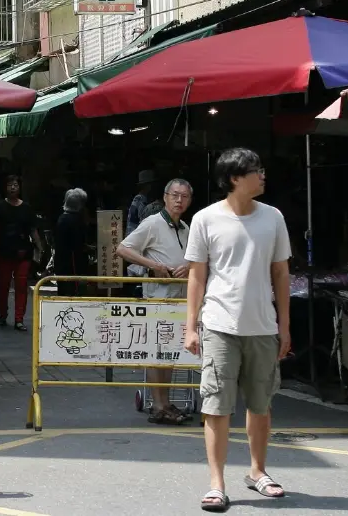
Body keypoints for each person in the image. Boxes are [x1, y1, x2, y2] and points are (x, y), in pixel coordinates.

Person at [184, 149, 291, 512]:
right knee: (216, 406)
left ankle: (258, 472)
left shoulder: (273, 218)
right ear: (234, 178)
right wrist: (191, 327)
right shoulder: (205, 219)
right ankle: (217, 483)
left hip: (262, 325)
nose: (262, 176)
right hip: (218, 324)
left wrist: (285, 326)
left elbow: (280, 273)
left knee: (261, 404)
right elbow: (197, 275)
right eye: (255, 171)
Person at [116, 179, 195, 426]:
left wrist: (188, 267)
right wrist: (154, 266)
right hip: (158, 299)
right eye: (175, 195)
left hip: (179, 300)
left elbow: (196, 259)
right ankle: (159, 405)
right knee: (156, 353)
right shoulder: (152, 223)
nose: (179, 200)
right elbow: (122, 249)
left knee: (168, 353)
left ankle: (166, 402)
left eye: (184, 196)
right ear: (165, 197)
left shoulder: (184, 227)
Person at [0, 175, 44, 331]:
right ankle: (3, 314)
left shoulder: (27, 208)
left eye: (15, 185)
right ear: (5, 188)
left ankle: (19, 319)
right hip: (4, 252)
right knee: (3, 286)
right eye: (10, 185)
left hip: (23, 253)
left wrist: (39, 247)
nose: (13, 188)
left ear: (20, 188)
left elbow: (33, 230)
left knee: (21, 285)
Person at [49, 188, 90, 295]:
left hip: (62, 264)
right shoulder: (74, 220)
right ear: (79, 205)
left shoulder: (62, 218)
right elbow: (77, 247)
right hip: (71, 266)